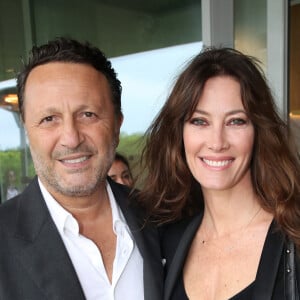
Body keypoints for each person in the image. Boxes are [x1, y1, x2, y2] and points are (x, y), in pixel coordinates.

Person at [0, 37, 163, 300]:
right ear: (28, 131)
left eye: (88, 114)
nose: (71, 138)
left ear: (117, 125)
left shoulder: (160, 219)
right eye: (49, 119)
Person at [138, 47, 300, 300]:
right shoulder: (166, 242)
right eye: (199, 121)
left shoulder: (295, 238)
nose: (217, 142)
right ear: (179, 134)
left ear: (259, 131)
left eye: (236, 121)